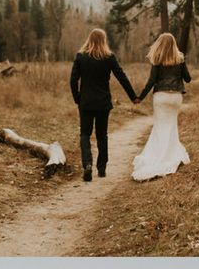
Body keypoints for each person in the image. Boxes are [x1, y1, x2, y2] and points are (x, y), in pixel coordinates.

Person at [69, 29, 137, 182]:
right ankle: (101, 168)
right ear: (104, 40)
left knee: (85, 134)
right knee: (102, 135)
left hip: (85, 102)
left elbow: (73, 80)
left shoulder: (81, 57)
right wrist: (133, 97)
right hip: (103, 103)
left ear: (89, 39)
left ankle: (87, 164)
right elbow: (122, 77)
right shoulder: (109, 57)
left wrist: (77, 98)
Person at [132, 33, 191, 182]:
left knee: (160, 126)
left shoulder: (158, 60)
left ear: (160, 44)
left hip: (161, 97)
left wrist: (140, 97)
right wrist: (180, 68)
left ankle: (159, 155)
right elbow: (188, 78)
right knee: (171, 126)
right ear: (174, 44)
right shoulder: (180, 59)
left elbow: (151, 81)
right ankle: (171, 154)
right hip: (176, 97)